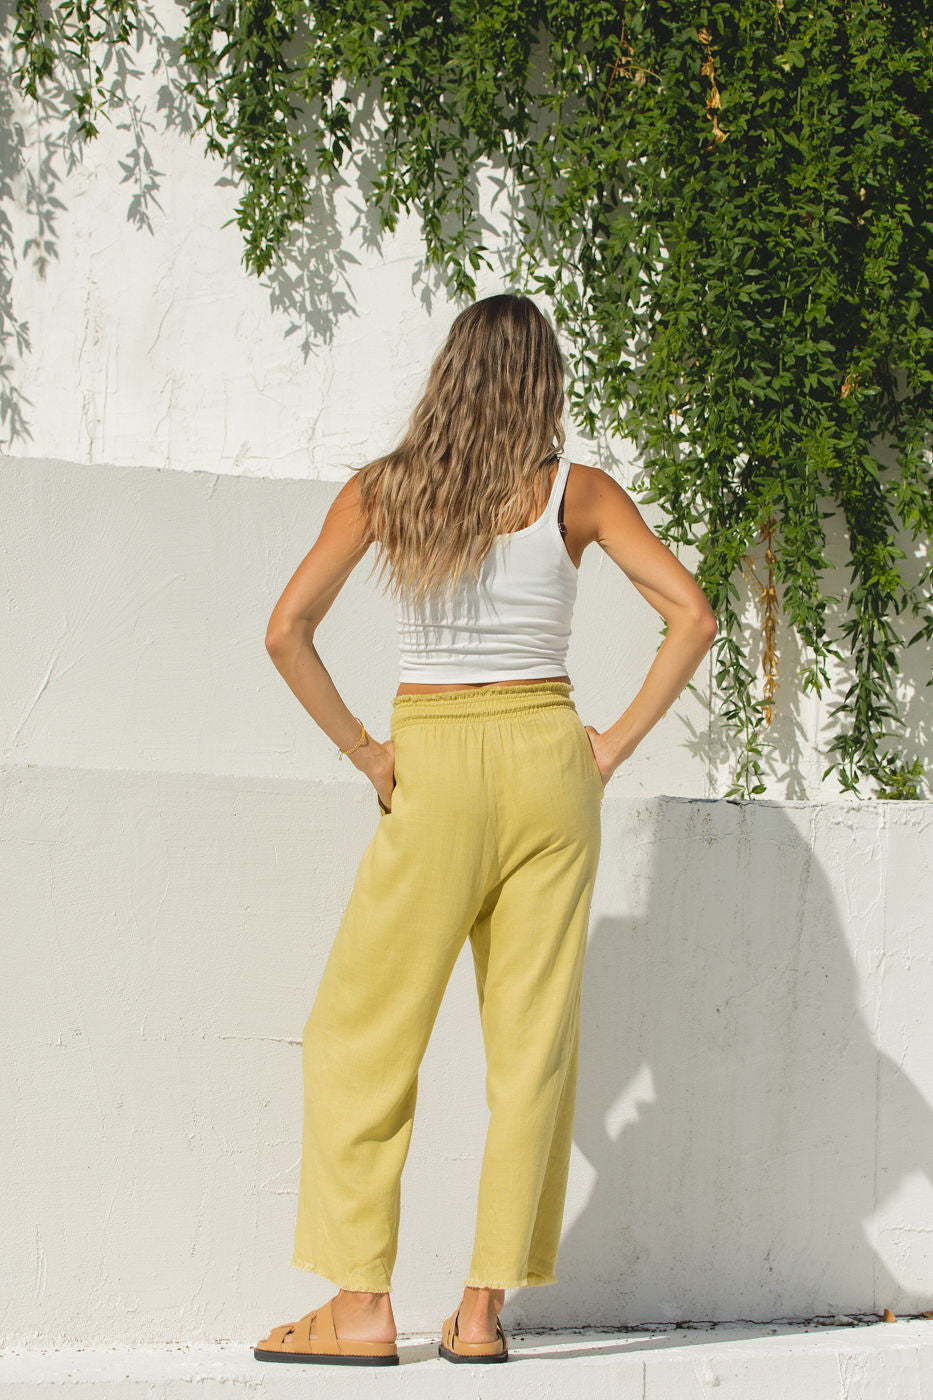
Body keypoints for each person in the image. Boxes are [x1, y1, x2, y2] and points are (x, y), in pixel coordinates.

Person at [254, 292, 717, 1367]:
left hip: (435, 763)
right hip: (551, 761)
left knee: (360, 1032)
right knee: (531, 1045)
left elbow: (285, 631)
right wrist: (610, 746)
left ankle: (360, 1307)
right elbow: (692, 617)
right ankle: (479, 1311)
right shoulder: (578, 493)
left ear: (449, 374)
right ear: (544, 381)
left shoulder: (386, 490)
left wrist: (368, 753)